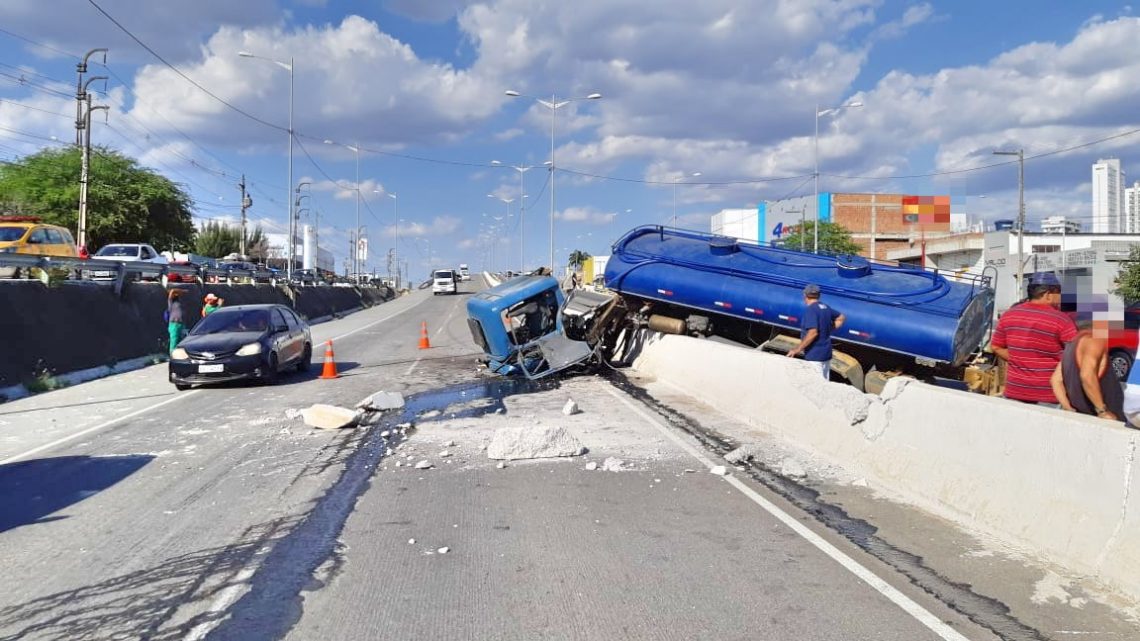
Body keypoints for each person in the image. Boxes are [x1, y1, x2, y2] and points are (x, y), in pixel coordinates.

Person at [989, 272, 1077, 406]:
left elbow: (996, 346)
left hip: (1015, 390)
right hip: (1049, 395)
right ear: (1048, 294)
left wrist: (1019, 358)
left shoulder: (1009, 315)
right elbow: (1076, 354)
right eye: (1059, 293)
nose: (1061, 298)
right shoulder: (1062, 320)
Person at [1050, 317, 1123, 421]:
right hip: (1104, 417)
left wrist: (1068, 407)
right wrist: (1102, 411)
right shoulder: (1095, 340)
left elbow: (1055, 380)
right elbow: (1087, 376)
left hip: (1082, 415)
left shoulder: (1072, 345)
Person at [787, 283, 845, 380]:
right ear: (819, 295)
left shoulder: (811, 310)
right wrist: (828, 329)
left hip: (814, 356)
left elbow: (813, 333)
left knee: (815, 384)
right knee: (824, 383)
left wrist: (797, 349)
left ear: (805, 295)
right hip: (826, 354)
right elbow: (841, 318)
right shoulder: (825, 307)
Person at [167, 289, 186, 355]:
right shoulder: (171, 302)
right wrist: (180, 290)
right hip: (174, 324)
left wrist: (180, 292)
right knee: (174, 341)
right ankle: (172, 355)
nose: (176, 295)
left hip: (181, 324)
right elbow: (172, 291)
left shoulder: (179, 302)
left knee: (181, 340)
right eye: (175, 294)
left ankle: (178, 355)